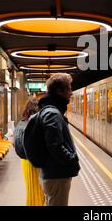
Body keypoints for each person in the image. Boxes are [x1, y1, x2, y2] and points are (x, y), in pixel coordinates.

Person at [38, 73, 80, 206]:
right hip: (57, 175)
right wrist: (71, 159)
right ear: (59, 91)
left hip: (52, 173)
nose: (71, 93)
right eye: (68, 89)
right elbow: (54, 145)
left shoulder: (50, 111)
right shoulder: (53, 113)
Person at [19, 97, 45, 206]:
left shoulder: (23, 122)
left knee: (32, 192)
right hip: (34, 162)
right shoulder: (36, 123)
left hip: (25, 161)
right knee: (38, 193)